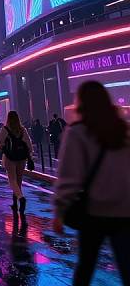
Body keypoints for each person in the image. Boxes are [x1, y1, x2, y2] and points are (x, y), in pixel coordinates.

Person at [53, 81, 130, 285]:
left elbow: (69, 178)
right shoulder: (124, 129)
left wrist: (60, 211)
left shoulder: (77, 132)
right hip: (125, 210)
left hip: (94, 211)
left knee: (86, 267)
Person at [0, 111, 33, 216]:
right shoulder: (22, 130)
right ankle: (15, 202)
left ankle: (21, 198)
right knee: (19, 180)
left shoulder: (5, 129)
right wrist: (29, 157)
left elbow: (0, 144)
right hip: (22, 158)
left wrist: (5, 149)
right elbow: (29, 145)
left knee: (12, 180)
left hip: (10, 157)